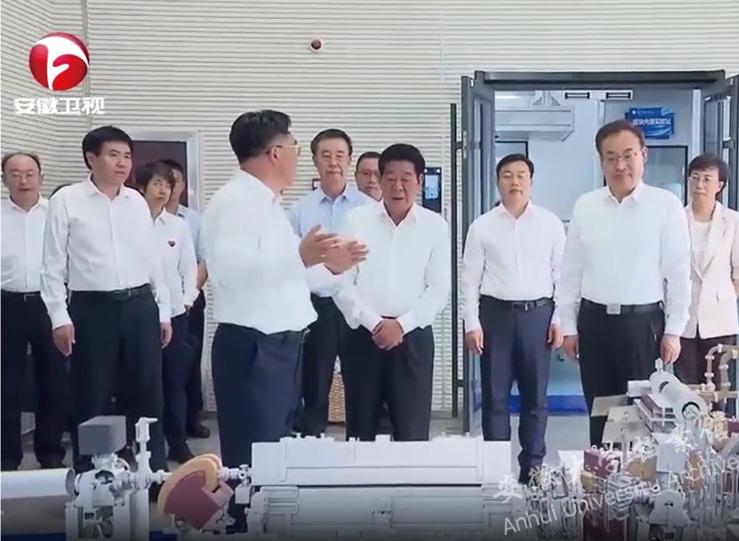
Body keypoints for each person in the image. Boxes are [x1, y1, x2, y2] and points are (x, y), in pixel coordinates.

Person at [202, 110, 367, 471]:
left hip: (281, 348)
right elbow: (229, 274)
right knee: (253, 459)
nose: (297, 156)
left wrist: (333, 267)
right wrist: (300, 256)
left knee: (275, 453)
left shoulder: (269, 205)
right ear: (275, 153)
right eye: (295, 147)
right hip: (254, 349)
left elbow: (292, 275)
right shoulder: (234, 203)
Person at [40, 126, 172, 474]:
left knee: (148, 393)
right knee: (91, 392)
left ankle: (152, 471)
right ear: (91, 158)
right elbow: (52, 265)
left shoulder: (136, 202)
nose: (123, 163)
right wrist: (59, 317)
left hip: (140, 305)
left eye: (127, 156)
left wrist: (164, 311)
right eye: (113, 155)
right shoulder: (66, 200)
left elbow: (152, 259)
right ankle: (90, 475)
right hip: (92, 308)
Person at [558, 119, 691, 447]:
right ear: (601, 161)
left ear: (643, 155)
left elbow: (678, 273)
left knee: (638, 415)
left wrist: (674, 330)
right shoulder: (586, 206)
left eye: (628, 155)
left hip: (641, 325)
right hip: (595, 323)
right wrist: (568, 327)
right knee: (601, 412)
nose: (620, 165)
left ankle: (635, 476)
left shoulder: (665, 206)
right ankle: (601, 472)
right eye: (611, 157)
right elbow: (571, 271)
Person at [334, 143, 451, 441]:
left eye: (406, 178)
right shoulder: (356, 221)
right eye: (390, 178)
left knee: (412, 430)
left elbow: (438, 290)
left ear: (419, 181)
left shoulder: (435, 227)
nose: (398, 187)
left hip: (413, 338)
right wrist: (375, 323)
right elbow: (342, 283)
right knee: (360, 430)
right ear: (380, 179)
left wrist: (401, 325)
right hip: (363, 337)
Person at [461, 153, 565, 485]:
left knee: (536, 399)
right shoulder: (482, 226)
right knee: (495, 399)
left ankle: (532, 469)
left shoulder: (550, 224)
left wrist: (560, 319)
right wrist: (471, 323)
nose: (515, 181)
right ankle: (496, 473)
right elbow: (469, 280)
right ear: (498, 182)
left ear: (531, 182)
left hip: (539, 316)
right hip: (496, 318)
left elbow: (563, 276)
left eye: (521, 175)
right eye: (507, 175)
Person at [287, 129, 374, 436]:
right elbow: (292, 260)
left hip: (357, 306)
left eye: (339, 155)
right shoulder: (300, 209)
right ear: (315, 161)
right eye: (325, 155)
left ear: (349, 160)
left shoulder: (369, 208)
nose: (333, 162)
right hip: (317, 307)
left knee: (361, 385)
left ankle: (360, 448)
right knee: (314, 384)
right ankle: (312, 444)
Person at [1, 152, 69, 470]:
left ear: (41, 177)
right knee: (6, 384)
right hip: (7, 304)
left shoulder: (55, 213)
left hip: (49, 303)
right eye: (15, 174)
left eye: (29, 173)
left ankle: (51, 452)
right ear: (4, 179)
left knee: (53, 380)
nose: (23, 180)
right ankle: (6, 456)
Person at [137, 161, 199, 463]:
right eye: (157, 184)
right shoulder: (130, 223)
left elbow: (189, 267)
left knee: (175, 381)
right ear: (141, 188)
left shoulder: (178, 226)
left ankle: (178, 442)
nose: (163, 190)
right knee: (142, 383)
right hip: (138, 314)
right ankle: (146, 446)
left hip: (175, 314)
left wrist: (187, 299)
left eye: (167, 185)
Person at [677, 153, 739, 384]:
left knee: (718, 386)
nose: (699, 185)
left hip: (719, 317)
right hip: (684, 319)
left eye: (706, 179)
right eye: (695, 178)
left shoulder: (732, 221)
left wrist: (722, 297)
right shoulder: (676, 219)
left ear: (719, 186)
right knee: (686, 386)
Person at [161, 158, 210, 439]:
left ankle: (191, 419)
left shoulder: (192, 220)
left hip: (189, 301)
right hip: (156, 304)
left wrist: (190, 295)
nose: (168, 188)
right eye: (162, 181)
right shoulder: (141, 217)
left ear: (181, 186)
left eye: (174, 181)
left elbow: (204, 260)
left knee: (188, 362)